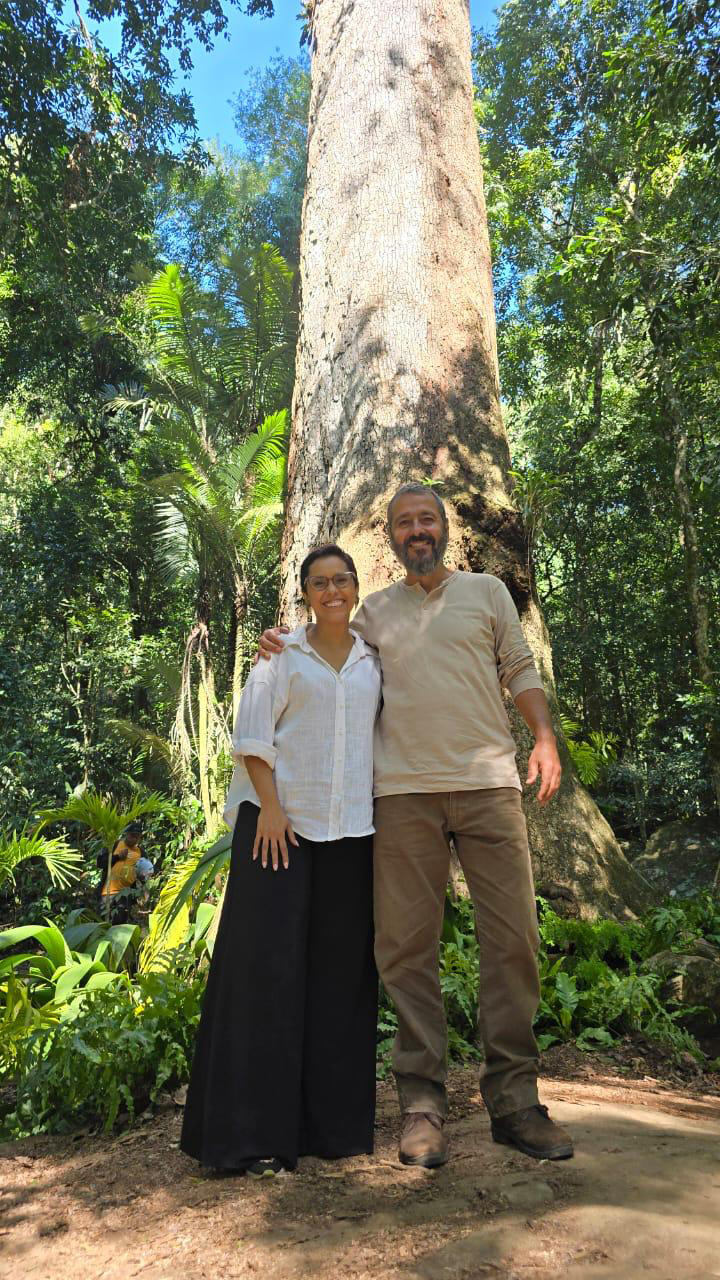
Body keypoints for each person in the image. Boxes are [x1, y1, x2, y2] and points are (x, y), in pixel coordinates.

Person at [259, 485, 573, 1167]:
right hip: (401, 796)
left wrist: (542, 736)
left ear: (445, 528)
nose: (417, 530)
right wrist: (278, 644)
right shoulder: (372, 611)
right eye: (404, 523)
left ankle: (516, 1102)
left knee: (514, 941)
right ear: (393, 537)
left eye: (426, 518)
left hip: (489, 785)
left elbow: (518, 666)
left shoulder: (488, 592)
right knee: (405, 950)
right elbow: (325, 643)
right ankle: (422, 1105)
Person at [181, 545, 382, 1177]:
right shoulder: (280, 658)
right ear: (304, 594)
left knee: (338, 981)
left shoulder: (375, 660)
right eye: (319, 583)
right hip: (279, 833)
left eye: (341, 581)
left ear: (355, 588)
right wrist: (269, 808)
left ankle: (332, 1130)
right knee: (263, 978)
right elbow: (252, 737)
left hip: (351, 835)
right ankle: (244, 1135)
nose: (332, 592)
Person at [98, 822, 144, 921]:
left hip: (125, 894)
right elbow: (100, 863)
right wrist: (117, 857)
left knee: (119, 923)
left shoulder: (140, 852)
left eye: (137, 837)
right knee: (103, 922)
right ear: (126, 834)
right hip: (108, 892)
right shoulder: (115, 845)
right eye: (132, 835)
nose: (134, 839)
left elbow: (145, 870)